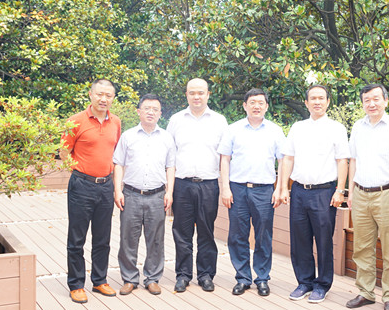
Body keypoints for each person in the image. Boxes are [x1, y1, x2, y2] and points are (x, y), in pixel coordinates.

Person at [277, 84, 350, 304]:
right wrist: (283, 187)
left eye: (321, 98)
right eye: (313, 98)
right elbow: (288, 158)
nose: (317, 102)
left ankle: (322, 285)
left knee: (324, 240)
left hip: (324, 192)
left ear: (328, 102)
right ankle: (304, 282)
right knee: (300, 239)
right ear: (306, 103)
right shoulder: (298, 128)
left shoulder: (336, 128)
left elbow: (342, 161)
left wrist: (340, 190)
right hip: (299, 191)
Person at [345, 84, 389, 310]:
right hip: (361, 193)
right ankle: (366, 292)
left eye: (376, 99)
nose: (371, 104)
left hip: (388, 193)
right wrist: (351, 191)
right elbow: (353, 160)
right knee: (362, 247)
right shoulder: (358, 126)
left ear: (385, 101)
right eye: (366, 100)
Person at [218, 89, 285, 297]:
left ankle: (262, 278)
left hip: (264, 190)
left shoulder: (275, 131)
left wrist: (279, 188)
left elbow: (283, 161)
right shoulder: (233, 129)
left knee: (263, 235)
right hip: (237, 189)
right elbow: (225, 159)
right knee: (237, 235)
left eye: (261, 103)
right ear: (245, 105)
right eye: (252, 102)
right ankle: (243, 278)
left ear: (266, 106)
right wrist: (225, 188)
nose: (257, 106)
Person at [61, 79, 121, 304]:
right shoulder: (75, 121)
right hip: (82, 185)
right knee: (77, 238)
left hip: (105, 185)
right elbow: (64, 152)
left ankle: (99, 280)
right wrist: (79, 175)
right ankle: (76, 284)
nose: (103, 99)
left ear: (113, 98)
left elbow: (115, 153)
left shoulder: (116, 122)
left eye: (108, 95)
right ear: (91, 95)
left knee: (103, 237)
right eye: (99, 94)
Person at [167, 78, 228, 293]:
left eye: (200, 92)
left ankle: (206, 275)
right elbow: (170, 155)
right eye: (192, 92)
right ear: (186, 95)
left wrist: (225, 186)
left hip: (209, 185)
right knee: (181, 232)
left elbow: (225, 156)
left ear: (208, 94)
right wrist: (169, 188)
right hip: (182, 185)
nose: (196, 97)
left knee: (206, 231)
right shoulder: (176, 120)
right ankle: (183, 275)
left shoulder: (219, 121)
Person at [113, 93, 175, 296]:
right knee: (128, 239)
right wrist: (118, 190)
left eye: (155, 109)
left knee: (156, 239)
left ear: (160, 114)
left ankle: (152, 278)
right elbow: (118, 164)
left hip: (157, 195)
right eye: (147, 108)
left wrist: (169, 192)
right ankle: (129, 278)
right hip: (131, 194)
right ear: (139, 111)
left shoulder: (166, 138)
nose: (151, 112)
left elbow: (171, 166)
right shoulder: (128, 136)